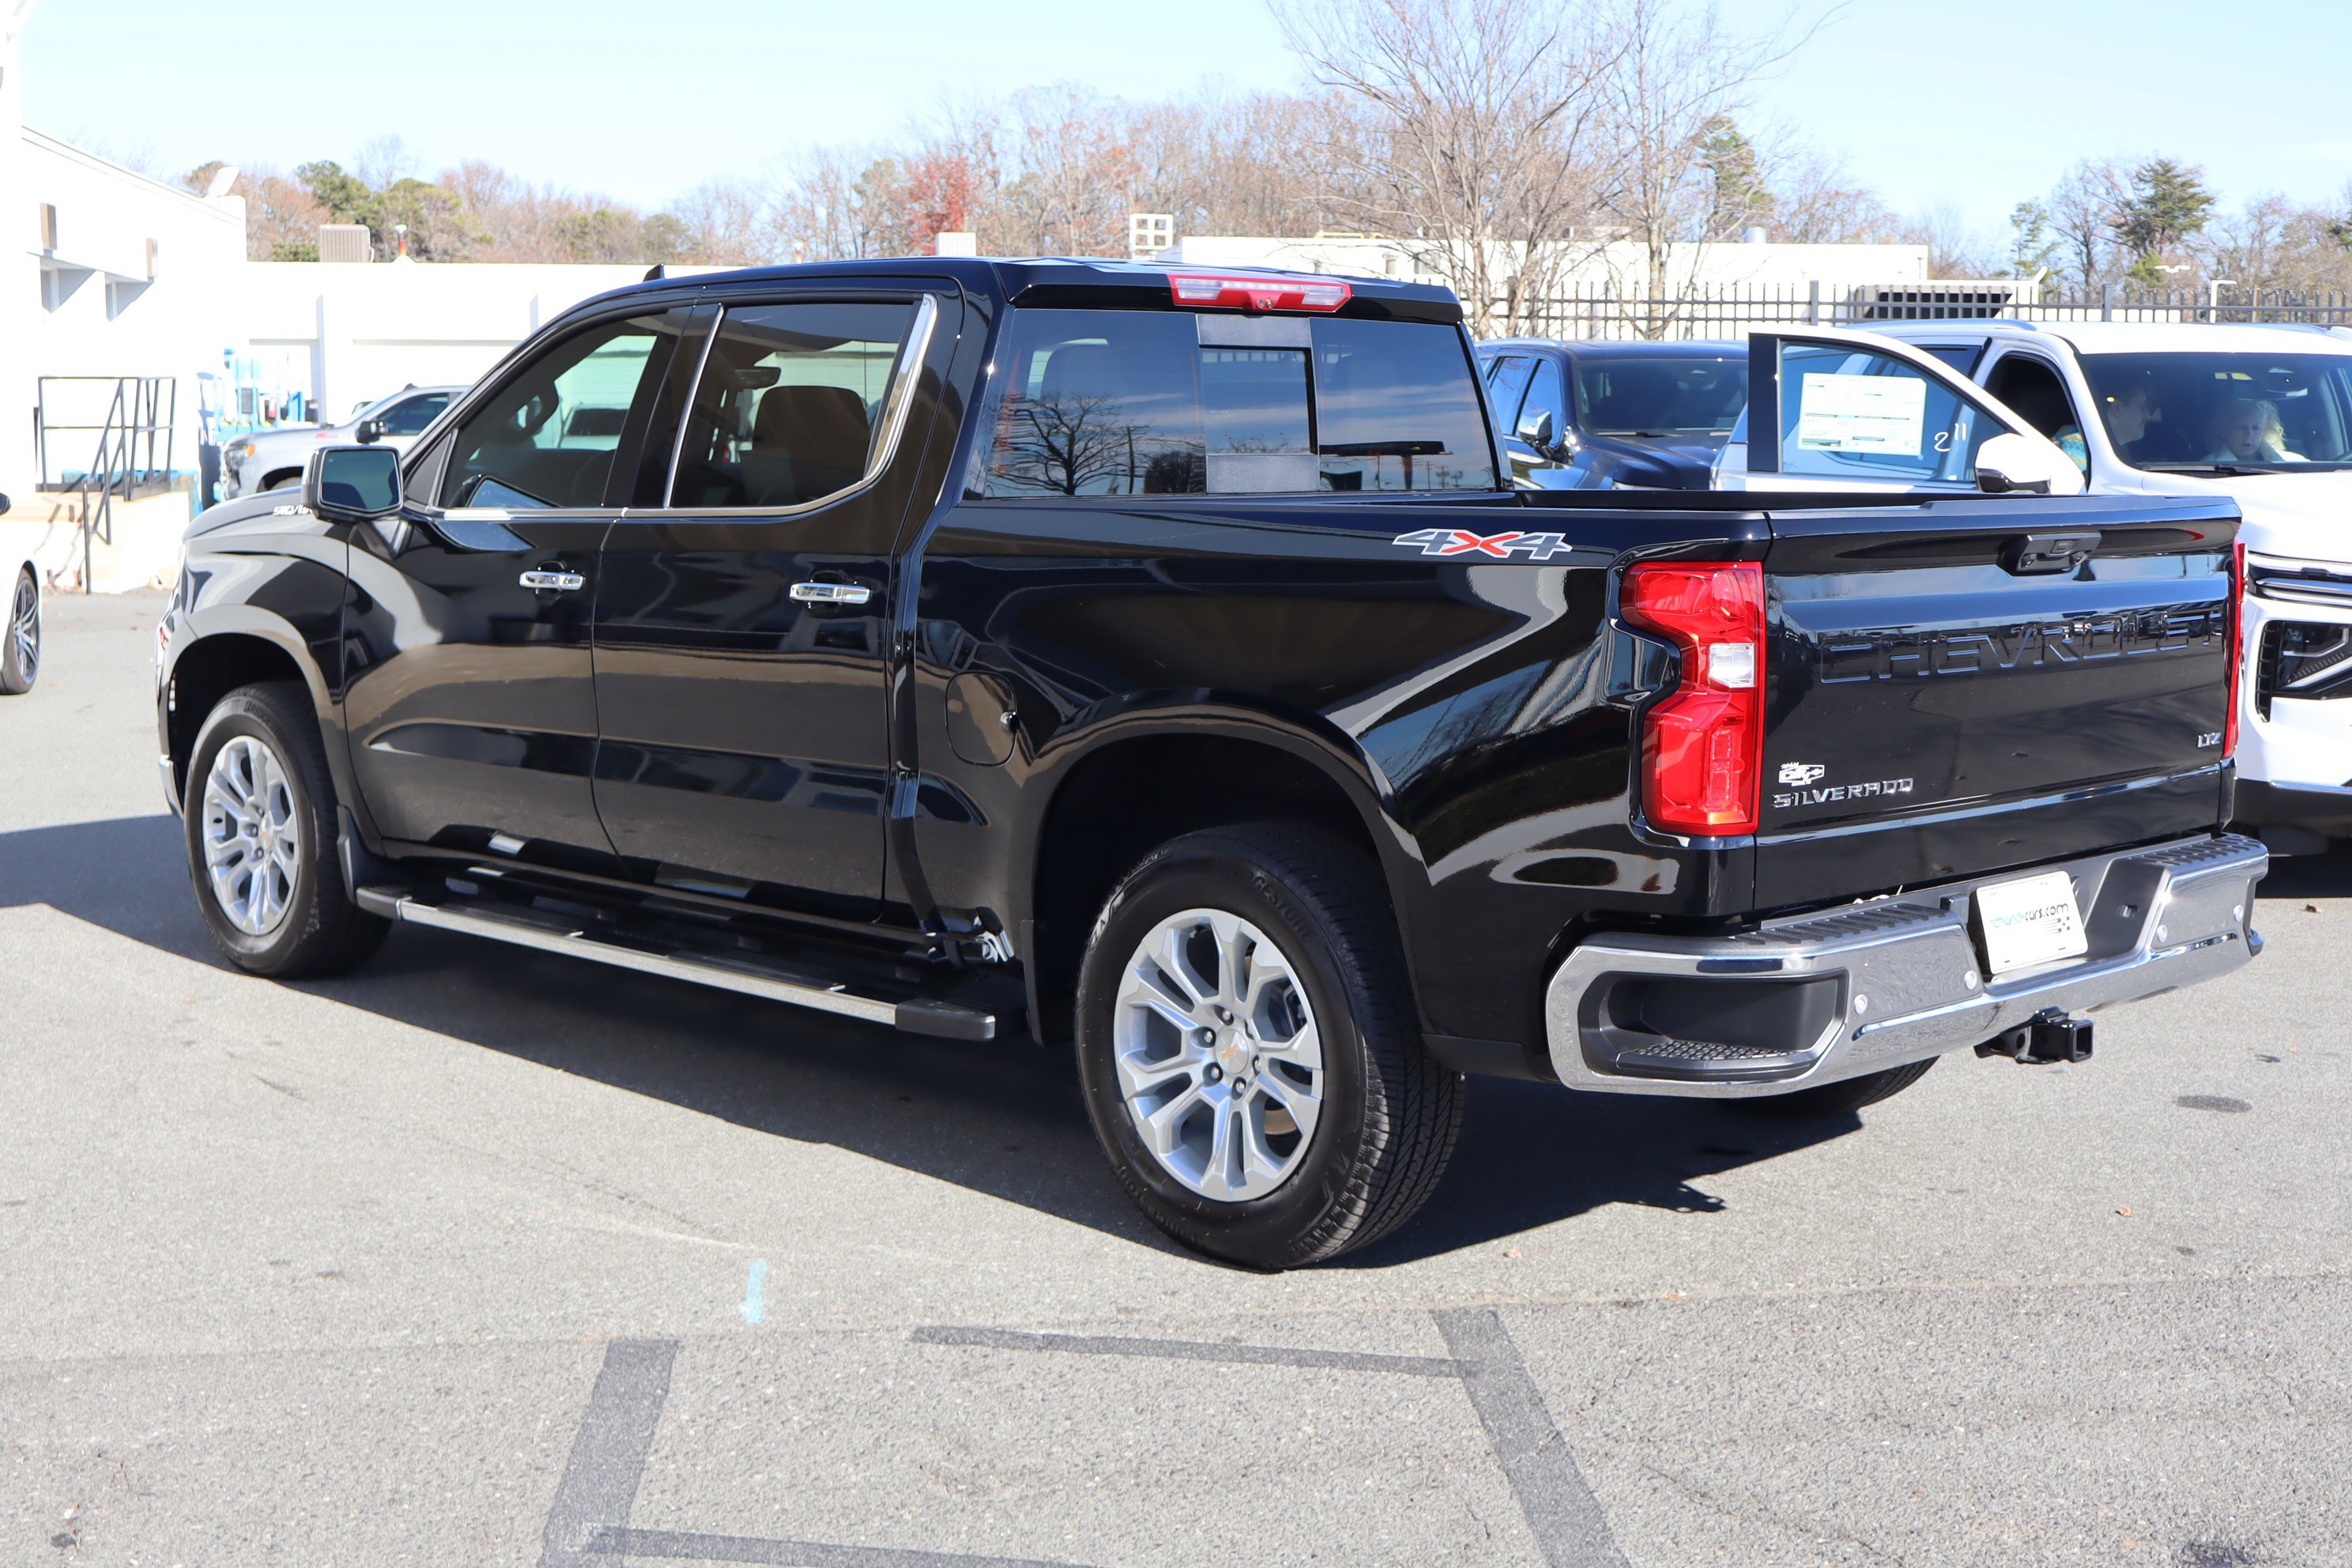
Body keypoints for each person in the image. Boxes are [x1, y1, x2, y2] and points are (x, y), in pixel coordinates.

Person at [2204, 397, 2302, 464]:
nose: (2249, 435)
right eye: (2242, 427)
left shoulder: (2294, 461)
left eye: (2256, 428)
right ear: (2225, 429)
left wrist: (2273, 458)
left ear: (2266, 430)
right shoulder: (2206, 466)